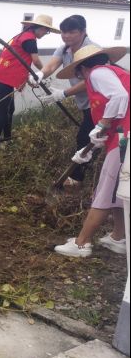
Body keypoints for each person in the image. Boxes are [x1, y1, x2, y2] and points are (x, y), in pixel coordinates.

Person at [53, 45, 129, 258]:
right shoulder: (113, 73)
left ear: (81, 69)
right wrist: (89, 149)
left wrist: (102, 124)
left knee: (106, 188)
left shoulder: (97, 73)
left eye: (78, 74)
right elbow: (113, 117)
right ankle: (118, 238)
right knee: (117, 188)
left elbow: (120, 98)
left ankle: (81, 243)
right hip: (121, 137)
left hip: (126, 138)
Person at [35, 15, 99, 187]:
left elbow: (90, 81)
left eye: (72, 32)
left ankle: (77, 179)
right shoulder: (65, 49)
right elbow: (51, 65)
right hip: (87, 104)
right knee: (93, 136)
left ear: (83, 32)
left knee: (85, 138)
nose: (66, 35)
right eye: (64, 32)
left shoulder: (92, 51)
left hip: (100, 103)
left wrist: (64, 93)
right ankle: (90, 170)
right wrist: (39, 75)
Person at [0, 14, 59, 144]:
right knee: (3, 111)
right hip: (5, 77)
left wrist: (28, 78)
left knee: (10, 110)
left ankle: (7, 138)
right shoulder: (30, 40)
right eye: (47, 31)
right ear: (41, 28)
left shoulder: (22, 36)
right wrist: (44, 72)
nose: (46, 33)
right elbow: (35, 60)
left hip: (4, 74)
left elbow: (22, 61)